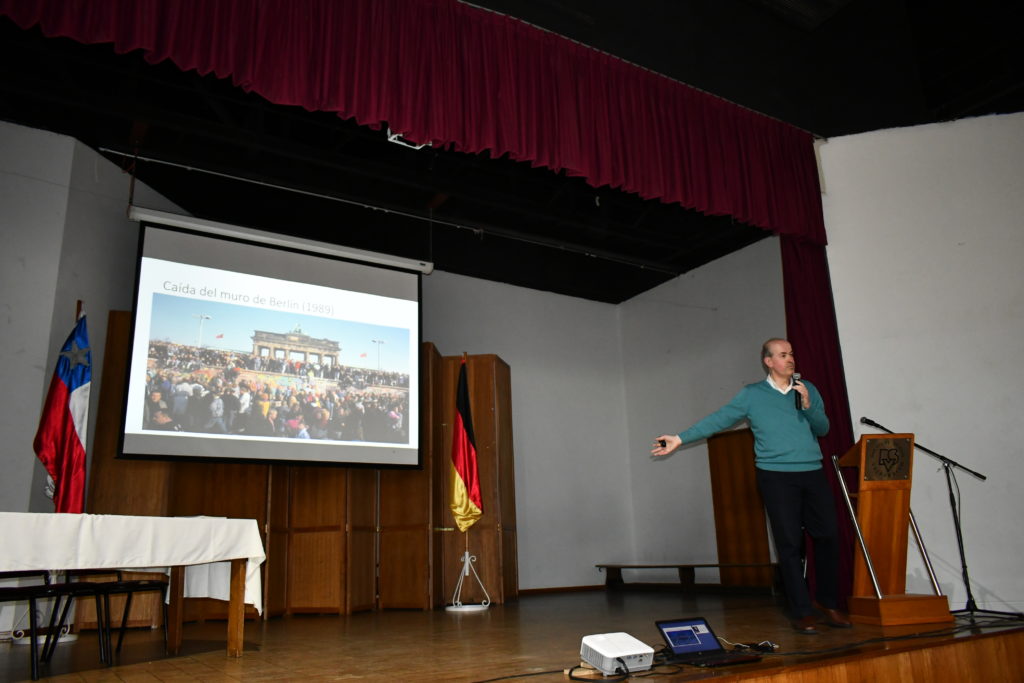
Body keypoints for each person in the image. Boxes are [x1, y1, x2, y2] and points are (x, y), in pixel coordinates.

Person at [651, 338, 850, 634]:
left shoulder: (807, 389)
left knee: (829, 536)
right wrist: (680, 438)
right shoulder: (752, 395)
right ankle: (801, 610)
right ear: (768, 361)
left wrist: (807, 404)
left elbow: (822, 428)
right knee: (789, 544)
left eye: (792, 353)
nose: (790, 359)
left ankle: (828, 601)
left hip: (812, 472)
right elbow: (719, 419)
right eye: (783, 355)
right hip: (776, 476)